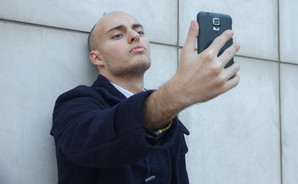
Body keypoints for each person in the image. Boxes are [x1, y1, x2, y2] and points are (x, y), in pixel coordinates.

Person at [50, 11, 240, 184]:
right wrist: (173, 96)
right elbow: (94, 138)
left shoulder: (167, 116)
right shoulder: (74, 104)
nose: (134, 36)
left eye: (139, 32)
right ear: (97, 58)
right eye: (117, 35)